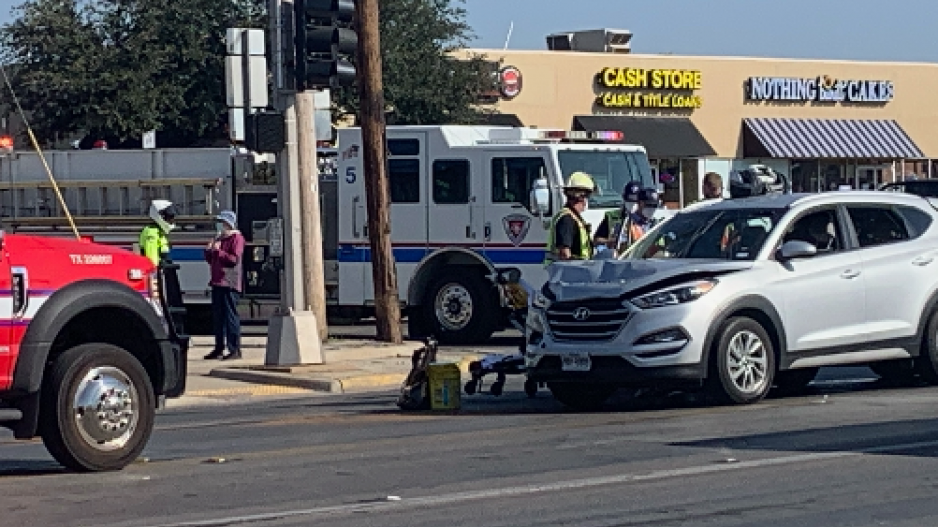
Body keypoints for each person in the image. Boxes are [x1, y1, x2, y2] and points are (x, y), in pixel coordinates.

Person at [203, 210, 246, 361]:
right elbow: (211, 260)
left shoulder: (237, 238)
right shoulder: (219, 238)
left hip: (229, 283)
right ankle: (219, 347)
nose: (221, 226)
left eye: (223, 223)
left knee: (230, 317)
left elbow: (233, 259)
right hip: (217, 282)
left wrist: (219, 251)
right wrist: (208, 251)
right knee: (218, 317)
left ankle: (234, 349)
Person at [543, 171, 596, 266]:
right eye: (587, 196)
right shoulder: (567, 219)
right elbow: (564, 253)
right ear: (581, 197)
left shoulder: (574, 218)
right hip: (567, 273)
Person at [593, 181, 649, 256]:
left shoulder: (648, 219)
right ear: (623, 197)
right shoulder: (611, 217)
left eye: (636, 200)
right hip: (618, 259)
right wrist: (609, 241)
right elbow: (596, 240)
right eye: (630, 199)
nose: (633, 203)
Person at [140, 199, 177, 266]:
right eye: (170, 217)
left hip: (163, 269)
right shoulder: (151, 232)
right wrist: (156, 270)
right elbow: (152, 258)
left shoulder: (160, 231)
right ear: (161, 216)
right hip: (156, 272)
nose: (172, 220)